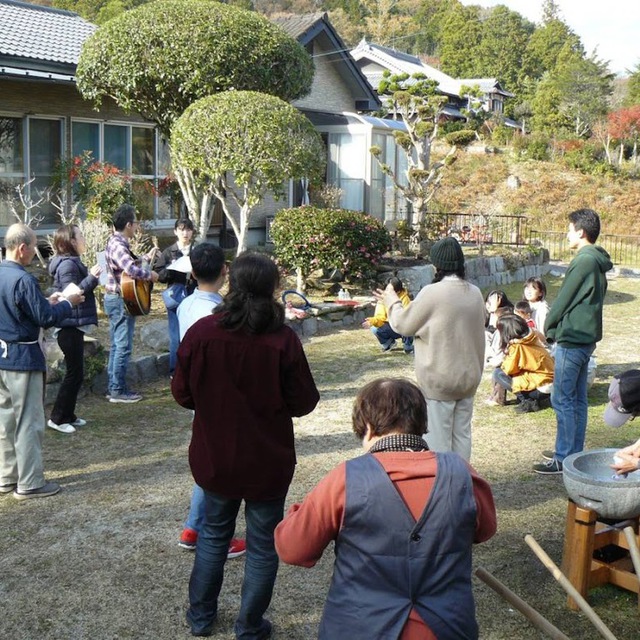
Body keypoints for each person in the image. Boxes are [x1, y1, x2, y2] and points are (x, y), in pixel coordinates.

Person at [274, 378, 497, 640]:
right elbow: (485, 530)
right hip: (447, 626)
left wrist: (301, 511)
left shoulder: (345, 479)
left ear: (367, 427)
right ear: (421, 424)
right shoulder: (462, 474)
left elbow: (293, 549)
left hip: (361, 628)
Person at [171, 252, 319, 638]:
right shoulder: (281, 340)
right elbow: (304, 401)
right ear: (271, 289)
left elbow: (182, 392)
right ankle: (249, 626)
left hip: (216, 456)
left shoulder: (203, 333)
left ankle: (201, 617)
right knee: (261, 545)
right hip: (266, 459)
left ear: (231, 283)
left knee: (214, 535)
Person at [382, 236, 485, 461]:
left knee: (438, 442)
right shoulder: (475, 292)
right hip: (468, 378)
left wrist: (391, 299)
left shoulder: (433, 292)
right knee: (462, 436)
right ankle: (461, 482)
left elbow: (402, 324)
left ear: (435, 265)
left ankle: (443, 488)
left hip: (441, 380)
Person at [0, 223, 83, 499]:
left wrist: (47, 300)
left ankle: (6, 477)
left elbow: (27, 309)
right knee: (29, 422)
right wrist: (68, 302)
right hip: (23, 358)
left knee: (5, 421)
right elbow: (45, 318)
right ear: (22, 248)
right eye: (34, 246)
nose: (36, 251)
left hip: (2, 357)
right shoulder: (23, 280)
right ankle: (31, 482)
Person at [175, 242, 246, 559]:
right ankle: (217, 534)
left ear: (192, 272)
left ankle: (193, 527)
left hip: (197, 389)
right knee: (222, 467)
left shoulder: (185, 306)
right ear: (224, 271)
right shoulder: (219, 314)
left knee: (209, 461)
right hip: (221, 393)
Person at [534, 209, 613, 475]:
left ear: (581, 232)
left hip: (573, 338)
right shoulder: (596, 260)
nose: (567, 234)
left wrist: (549, 325)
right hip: (585, 338)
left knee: (563, 399)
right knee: (576, 399)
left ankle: (563, 457)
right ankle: (572, 453)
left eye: (569, 229)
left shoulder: (584, 260)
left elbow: (564, 299)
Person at [47, 224, 102, 434]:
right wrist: (92, 278)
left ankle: (68, 415)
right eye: (80, 235)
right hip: (68, 325)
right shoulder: (68, 265)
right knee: (73, 373)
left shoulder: (71, 262)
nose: (83, 238)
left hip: (73, 326)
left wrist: (92, 279)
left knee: (76, 373)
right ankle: (57, 418)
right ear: (71, 241)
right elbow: (73, 293)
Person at [104, 204, 159, 404]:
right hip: (120, 300)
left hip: (118, 298)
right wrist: (150, 275)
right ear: (128, 224)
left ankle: (113, 387)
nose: (137, 227)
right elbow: (131, 269)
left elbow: (129, 263)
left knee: (117, 345)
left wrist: (146, 257)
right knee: (122, 346)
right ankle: (117, 390)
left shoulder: (118, 242)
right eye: (136, 223)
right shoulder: (118, 245)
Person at [154, 218, 196, 377]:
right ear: (175, 231)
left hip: (193, 294)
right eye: (181, 229)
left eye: (188, 229)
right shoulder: (169, 251)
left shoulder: (197, 249)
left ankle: (192, 368)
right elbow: (159, 273)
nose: (185, 233)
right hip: (175, 296)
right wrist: (172, 269)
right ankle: (175, 371)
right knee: (175, 334)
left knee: (193, 332)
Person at [491, 314, 554, 414]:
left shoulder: (518, 346)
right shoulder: (532, 336)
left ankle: (527, 401)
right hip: (551, 382)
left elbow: (509, 369)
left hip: (540, 388)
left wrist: (501, 361)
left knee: (498, 373)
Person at [362, 276, 413, 354]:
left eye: (390, 290)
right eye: (386, 289)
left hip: (403, 327)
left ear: (398, 291)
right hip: (391, 326)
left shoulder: (405, 299)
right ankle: (389, 343)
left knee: (409, 324)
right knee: (375, 328)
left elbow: (408, 318)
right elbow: (380, 316)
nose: (387, 292)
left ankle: (408, 345)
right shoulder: (383, 299)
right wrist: (372, 321)